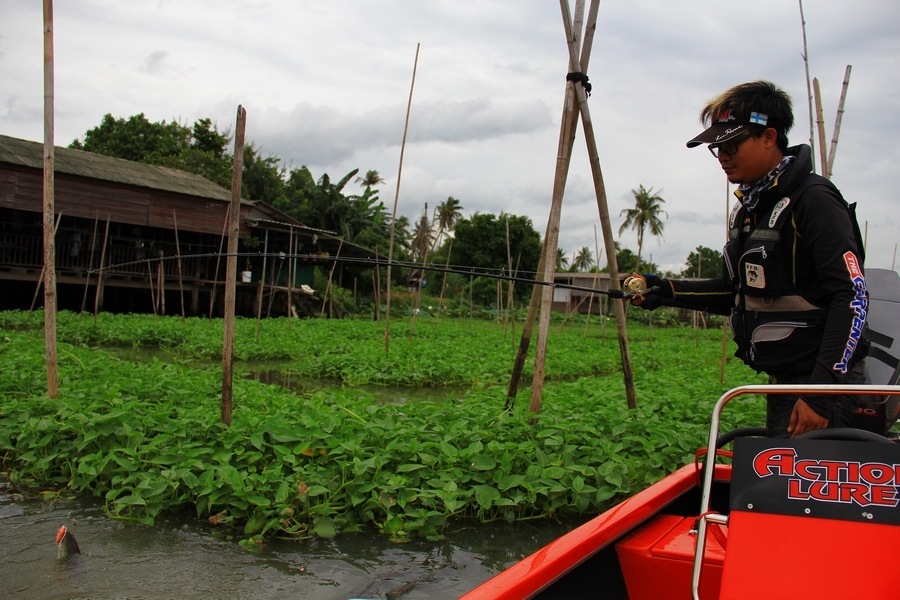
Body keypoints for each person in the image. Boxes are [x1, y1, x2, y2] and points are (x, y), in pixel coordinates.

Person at [629, 80, 868, 438]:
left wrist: (821, 391)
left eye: (731, 144)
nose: (722, 155)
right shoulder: (751, 209)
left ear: (769, 137)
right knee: (780, 484)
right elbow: (736, 293)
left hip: (821, 384)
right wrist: (666, 291)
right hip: (786, 380)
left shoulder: (813, 200)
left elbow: (852, 297)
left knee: (798, 489)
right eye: (717, 147)